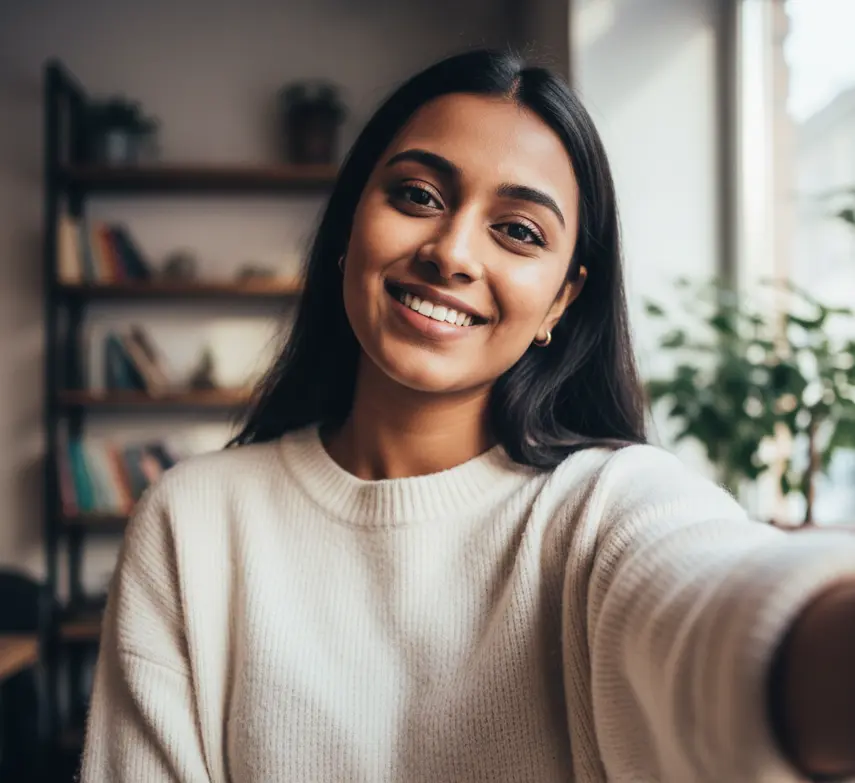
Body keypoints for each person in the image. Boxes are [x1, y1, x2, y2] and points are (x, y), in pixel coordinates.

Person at [80, 49, 855, 782]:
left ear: (561, 298)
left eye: (517, 231)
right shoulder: (193, 519)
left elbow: (716, 607)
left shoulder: (606, 505)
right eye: (417, 196)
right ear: (348, 228)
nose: (451, 252)